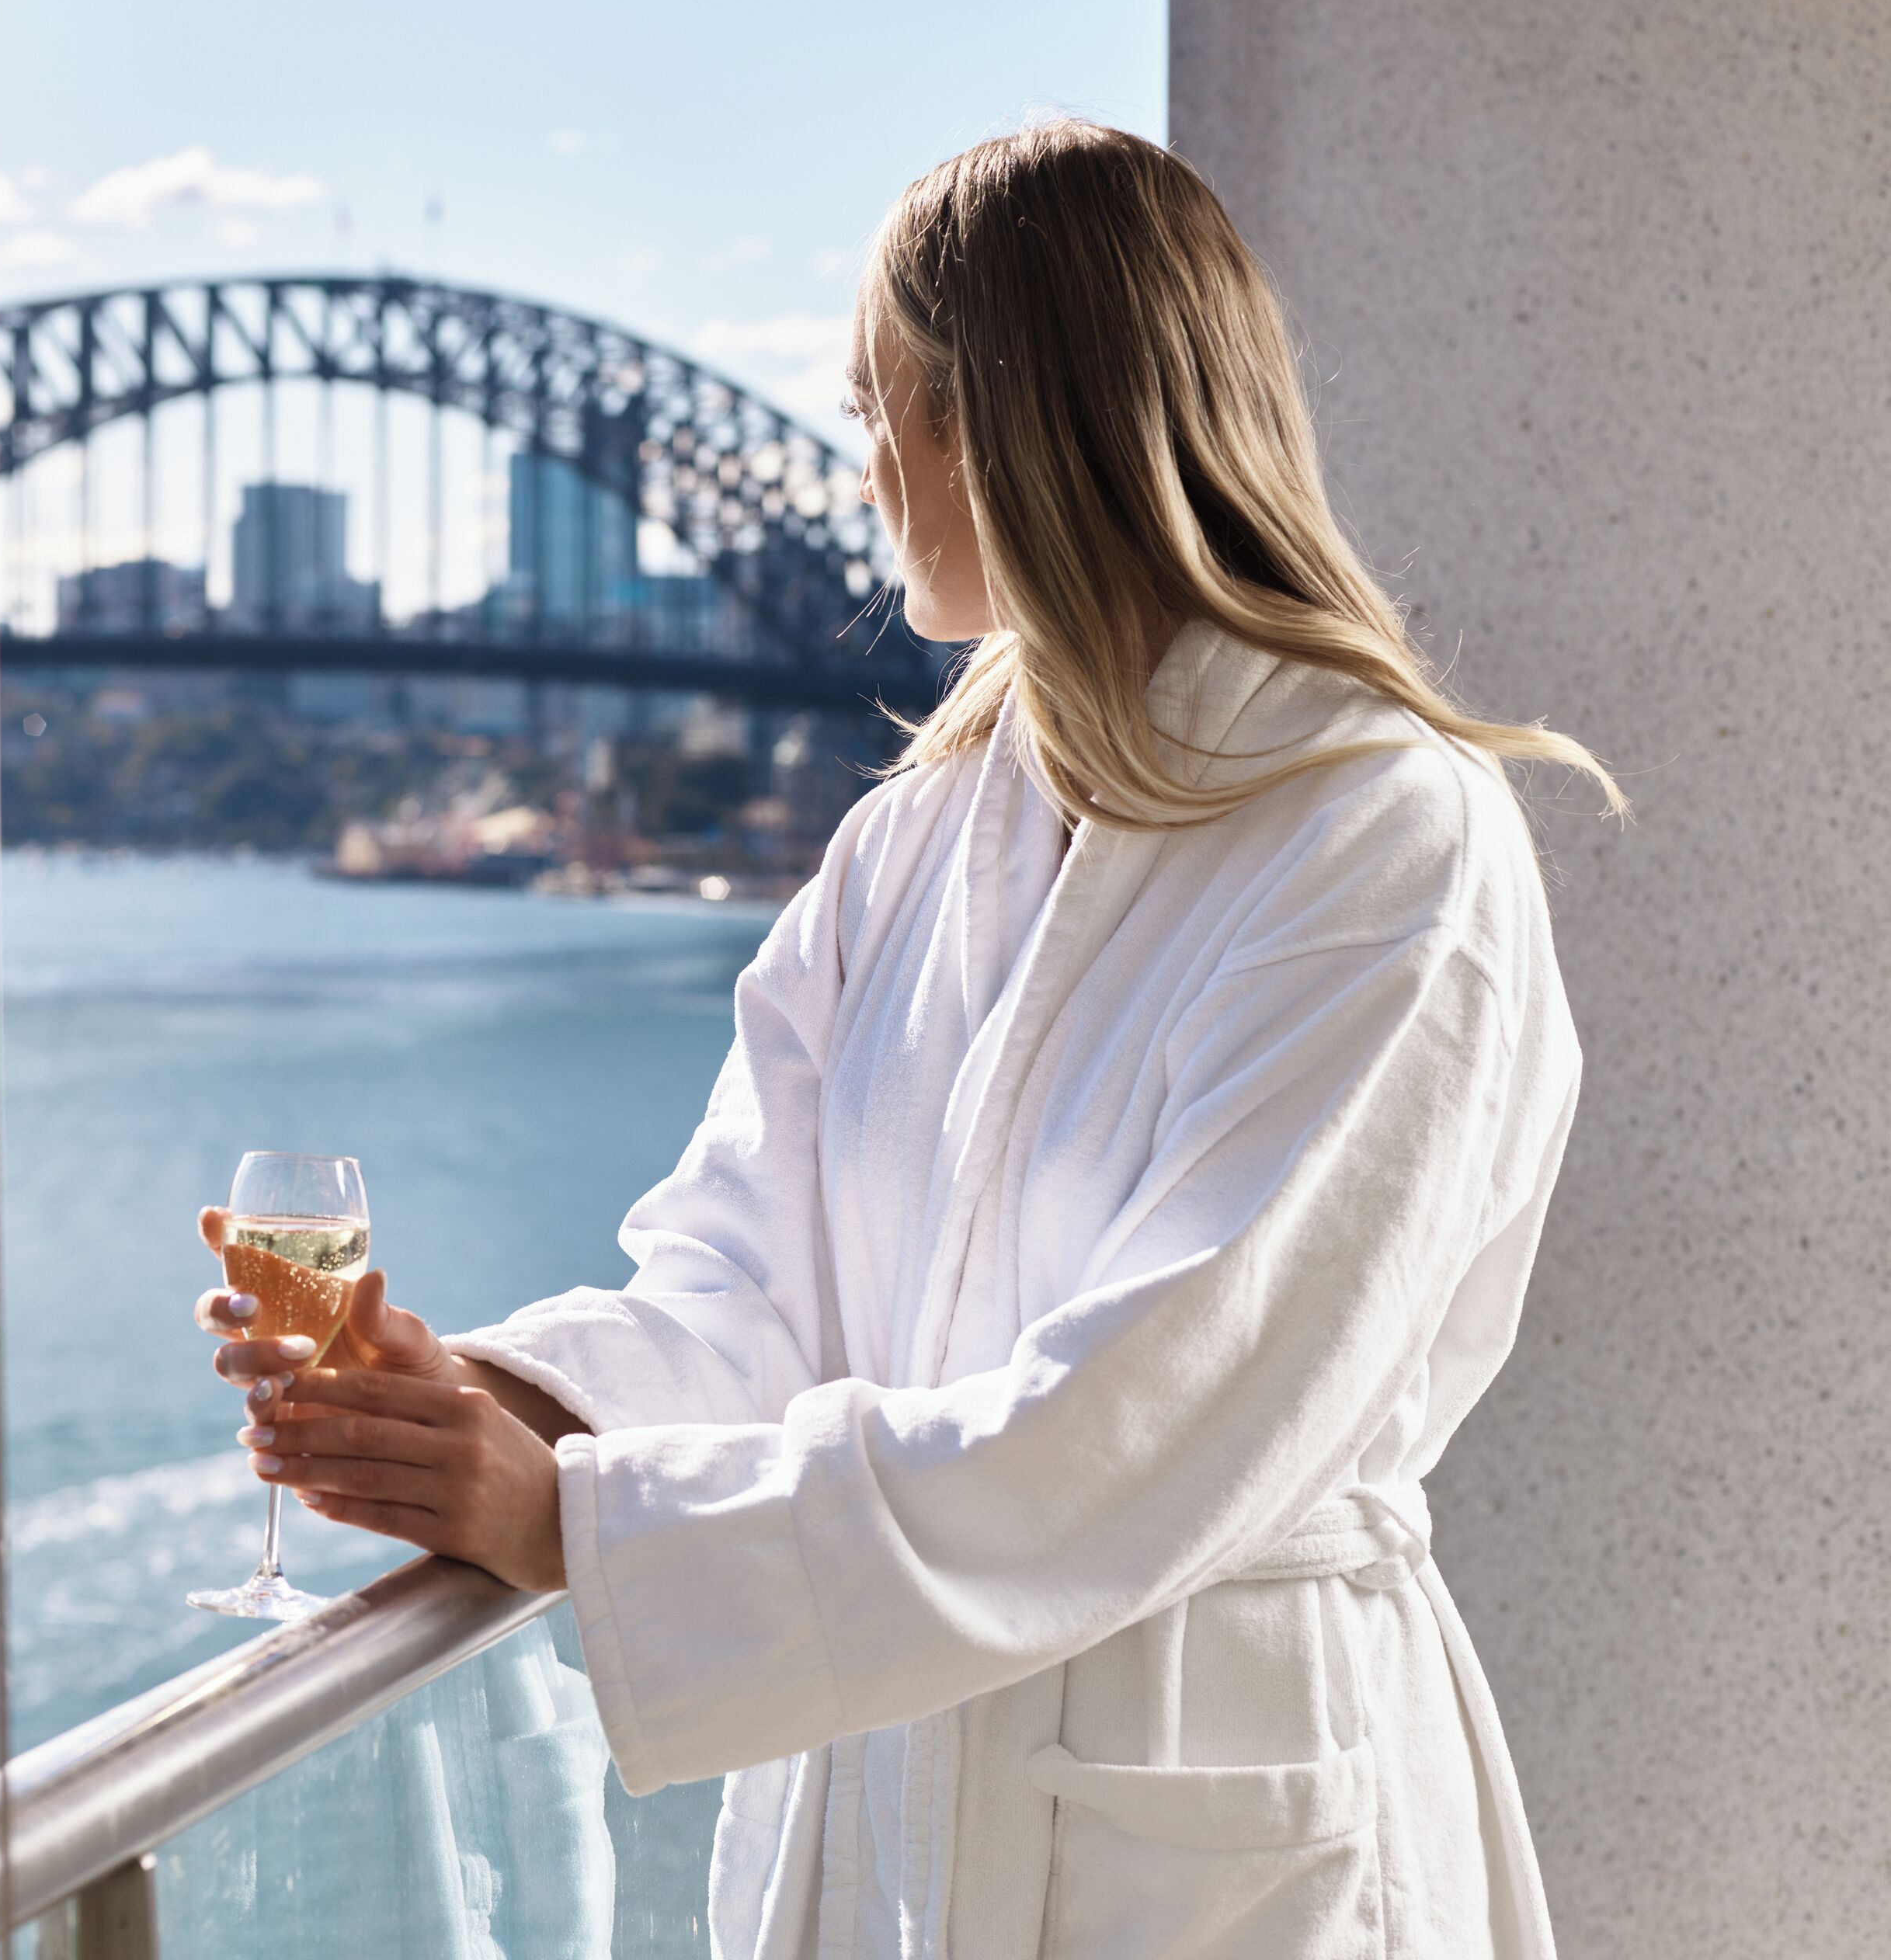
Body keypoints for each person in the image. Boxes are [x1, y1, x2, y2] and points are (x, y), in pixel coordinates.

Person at [196, 120, 1615, 1960]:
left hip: (1214, 1813)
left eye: (880, 408)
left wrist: (584, 1524)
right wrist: (477, 1406)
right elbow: (743, 1286)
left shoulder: (1382, 836)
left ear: (1004, 420)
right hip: (884, 1804)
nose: (861, 471)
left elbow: (1166, 1405)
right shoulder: (915, 840)